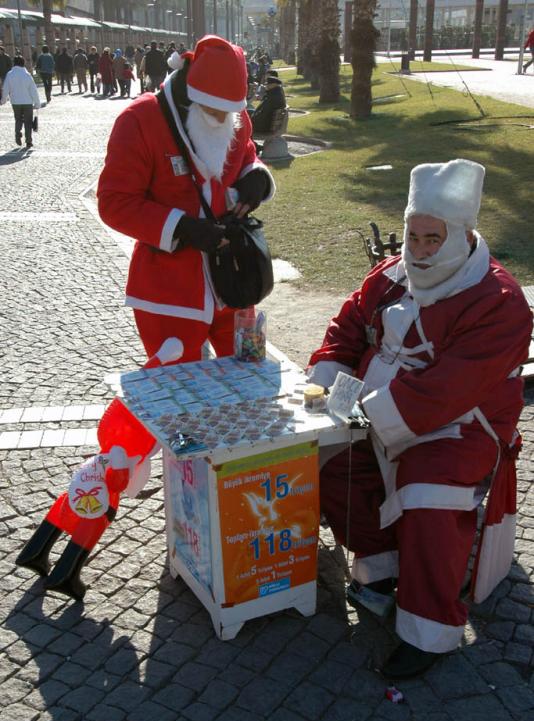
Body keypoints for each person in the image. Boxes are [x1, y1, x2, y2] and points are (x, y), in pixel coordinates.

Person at [308, 159, 532, 679]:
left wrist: (368, 415)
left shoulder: (500, 301)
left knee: (426, 491)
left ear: (464, 234)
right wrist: (334, 397)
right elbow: (345, 330)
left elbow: (451, 387)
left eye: (434, 238)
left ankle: (429, 630)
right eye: (414, 235)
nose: (422, 249)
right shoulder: (389, 277)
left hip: (460, 425)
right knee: (327, 466)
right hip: (374, 410)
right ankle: (383, 567)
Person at [97, 34, 275, 363]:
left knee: (252, 379)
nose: (224, 120)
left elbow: (245, 151)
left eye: (231, 111)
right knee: (179, 402)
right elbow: (113, 202)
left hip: (236, 281)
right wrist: (183, 228)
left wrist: (256, 176)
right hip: (169, 294)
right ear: (191, 95)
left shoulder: (236, 114)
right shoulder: (138, 120)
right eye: (214, 111)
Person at [0, 54, 41, 148]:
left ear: (14, 63)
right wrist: (37, 103)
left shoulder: (10, 74)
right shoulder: (27, 75)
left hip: (15, 102)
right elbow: (33, 90)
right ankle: (28, 141)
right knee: (28, 122)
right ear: (23, 63)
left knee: (18, 119)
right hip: (27, 102)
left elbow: (5, 88)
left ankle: (17, 133)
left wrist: (3, 100)